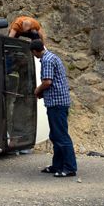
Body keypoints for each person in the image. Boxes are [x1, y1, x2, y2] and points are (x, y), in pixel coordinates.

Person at [29, 39, 77, 177]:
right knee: (56, 135)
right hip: (57, 101)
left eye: (33, 53)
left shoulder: (47, 60)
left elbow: (47, 81)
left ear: (34, 51)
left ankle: (70, 167)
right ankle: (57, 165)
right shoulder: (53, 57)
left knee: (61, 136)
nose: (34, 56)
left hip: (57, 104)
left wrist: (37, 91)